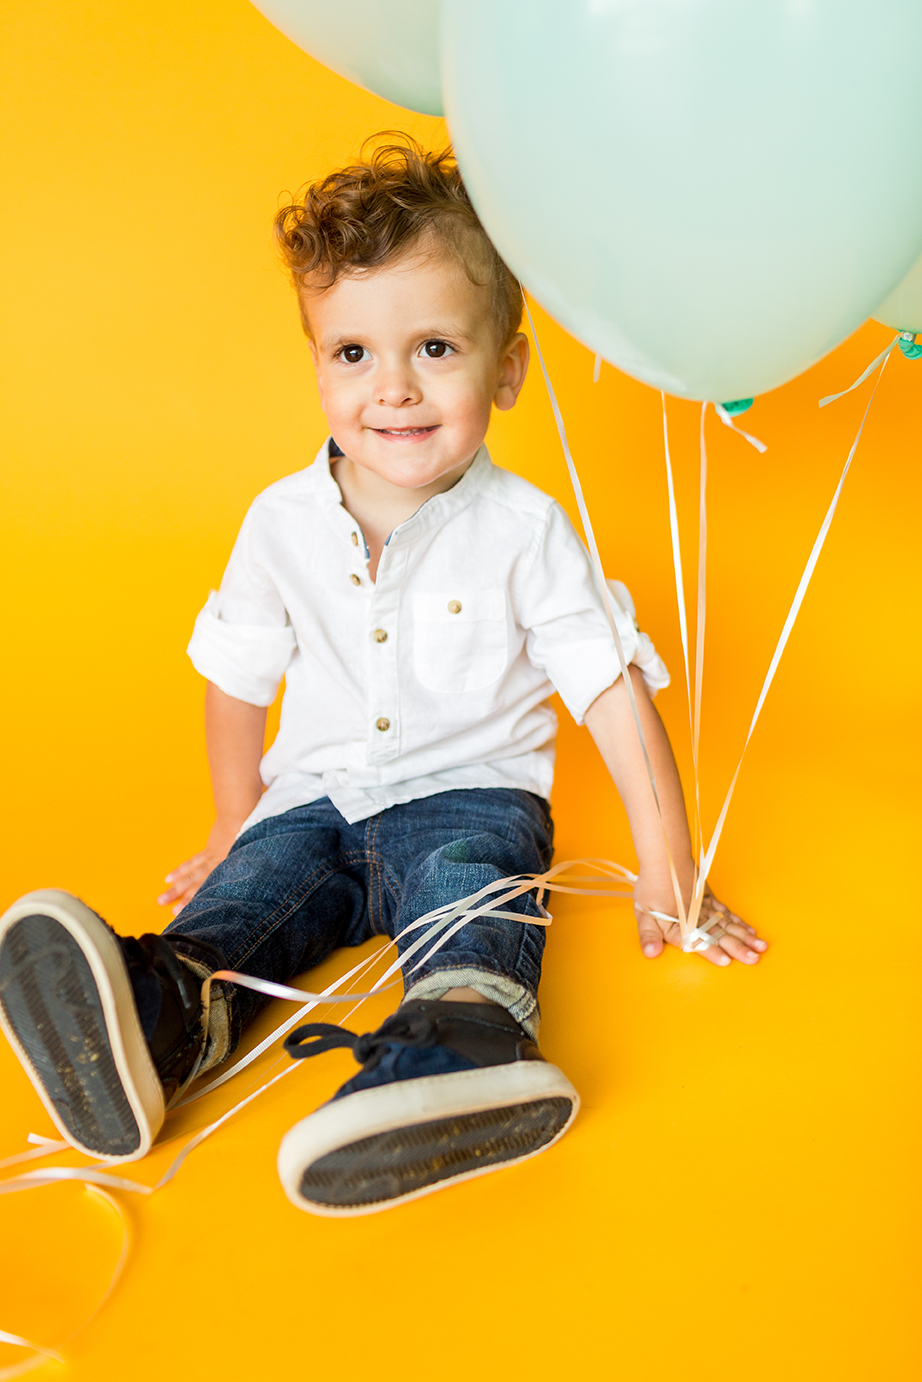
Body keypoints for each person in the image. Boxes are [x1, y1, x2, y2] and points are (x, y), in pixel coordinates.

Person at [0, 139, 767, 1217]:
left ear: (505, 367)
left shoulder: (526, 529)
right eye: (353, 353)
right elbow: (236, 675)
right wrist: (233, 817)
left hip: (468, 795)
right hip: (310, 798)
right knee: (246, 906)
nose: (393, 387)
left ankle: (458, 1048)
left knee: (469, 894)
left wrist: (666, 863)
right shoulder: (278, 521)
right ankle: (159, 1016)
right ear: (314, 362)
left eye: (436, 347)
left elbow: (606, 687)